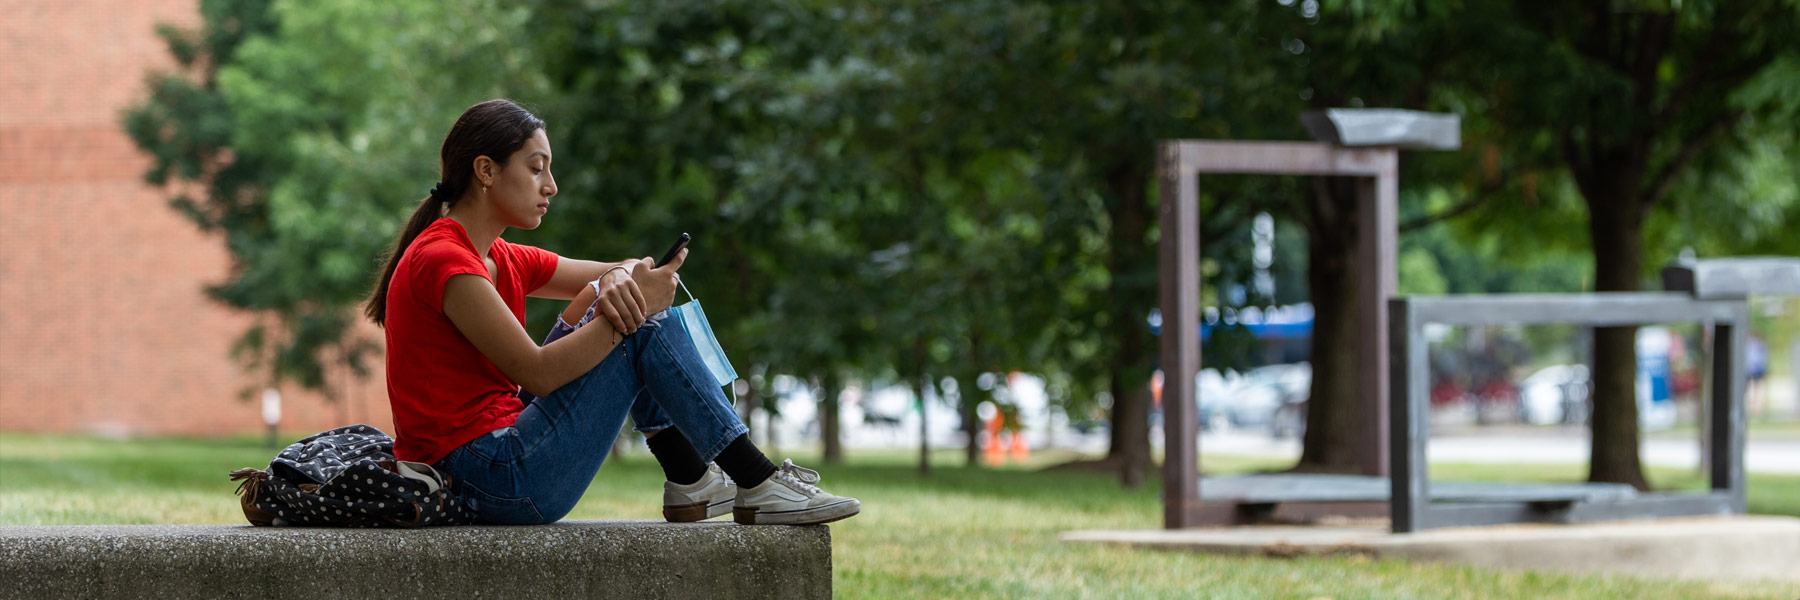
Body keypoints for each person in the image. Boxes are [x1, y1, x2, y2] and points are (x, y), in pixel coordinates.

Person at [364, 99, 859, 526]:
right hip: (486, 476)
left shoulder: (501, 256)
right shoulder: (445, 260)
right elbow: (535, 372)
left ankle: (692, 480)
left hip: (494, 461)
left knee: (629, 307)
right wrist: (630, 304)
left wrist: (619, 280)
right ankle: (753, 481)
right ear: (486, 171)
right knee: (640, 322)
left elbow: (621, 267)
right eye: (537, 168)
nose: (552, 186)